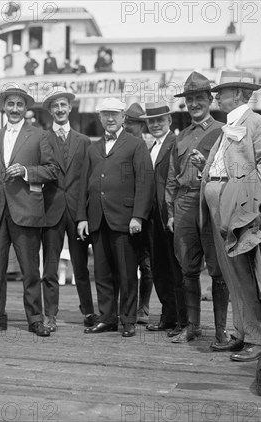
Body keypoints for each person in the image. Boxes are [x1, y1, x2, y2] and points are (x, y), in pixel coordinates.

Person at [194, 70, 261, 361]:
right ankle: (240, 333)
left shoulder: (256, 123)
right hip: (221, 211)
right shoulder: (231, 126)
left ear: (238, 94)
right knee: (232, 275)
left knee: (247, 274)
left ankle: (256, 337)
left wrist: (243, 199)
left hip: (241, 213)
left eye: (222, 91)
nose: (216, 96)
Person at [0, 87, 59, 337]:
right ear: (4, 107)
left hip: (26, 210)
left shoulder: (39, 135)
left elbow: (52, 170)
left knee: (30, 270)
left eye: (19, 105)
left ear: (26, 109)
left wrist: (26, 171)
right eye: (10, 104)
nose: (14, 109)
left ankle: (35, 318)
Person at [77, 98, 155, 337]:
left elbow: (145, 182)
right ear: (99, 118)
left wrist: (138, 216)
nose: (110, 119)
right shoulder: (93, 148)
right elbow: (84, 186)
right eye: (105, 114)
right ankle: (107, 318)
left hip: (124, 219)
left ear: (123, 118)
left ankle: (129, 319)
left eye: (114, 114)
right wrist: (82, 218)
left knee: (127, 272)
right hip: (98, 219)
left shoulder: (135, 145)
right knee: (102, 272)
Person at [165, 72, 230, 347]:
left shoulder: (223, 132)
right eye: (190, 99)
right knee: (187, 268)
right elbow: (171, 177)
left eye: (199, 98)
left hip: (211, 203)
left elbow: (232, 172)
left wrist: (208, 168)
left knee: (218, 269)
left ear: (209, 99)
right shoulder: (181, 137)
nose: (194, 104)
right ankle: (192, 327)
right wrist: (170, 212)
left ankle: (220, 332)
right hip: (184, 205)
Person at [41, 87, 96, 331]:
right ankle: (49, 314)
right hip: (51, 209)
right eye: (55, 106)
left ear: (70, 108)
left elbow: (89, 179)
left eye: (63, 105)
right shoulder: (41, 138)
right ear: (51, 110)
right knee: (50, 266)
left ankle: (88, 311)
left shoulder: (84, 141)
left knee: (81, 265)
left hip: (77, 211)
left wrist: (85, 213)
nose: (60, 110)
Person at [139, 101, 187, 338]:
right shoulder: (151, 147)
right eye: (152, 121)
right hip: (152, 217)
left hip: (169, 215)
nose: (156, 124)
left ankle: (181, 318)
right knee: (158, 268)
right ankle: (168, 315)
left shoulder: (175, 144)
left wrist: (174, 213)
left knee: (174, 268)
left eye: (160, 120)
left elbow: (178, 180)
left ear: (170, 121)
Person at [122, 102, 154, 325]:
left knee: (148, 265)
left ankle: (143, 306)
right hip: (125, 212)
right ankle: (126, 307)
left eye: (134, 123)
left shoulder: (153, 144)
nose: (129, 127)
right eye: (129, 122)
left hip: (149, 214)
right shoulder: (120, 144)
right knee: (125, 264)